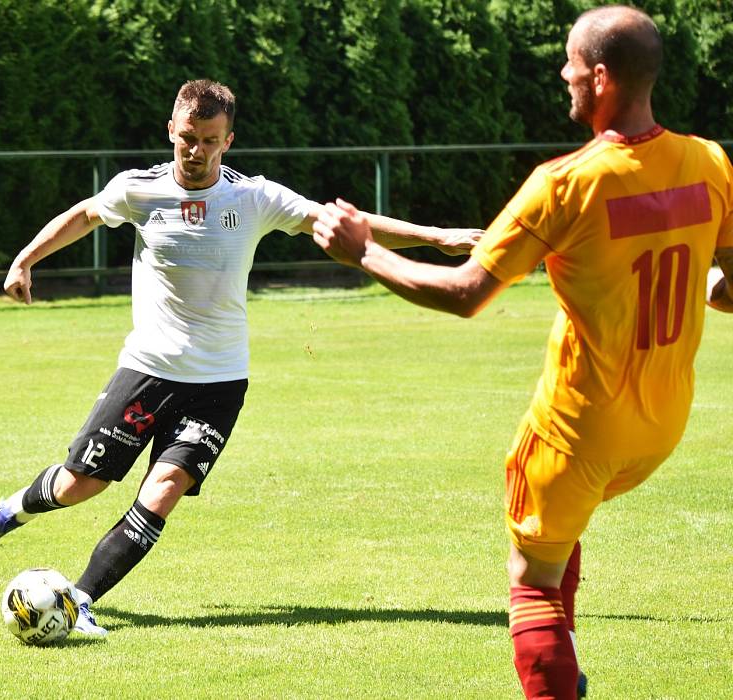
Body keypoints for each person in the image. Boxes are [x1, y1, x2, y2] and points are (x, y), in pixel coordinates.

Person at [312, 6, 733, 699]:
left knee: (530, 580)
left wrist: (365, 253)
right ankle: (564, 666)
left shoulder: (564, 183)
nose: (562, 75)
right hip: (664, 424)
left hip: (579, 426)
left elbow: (464, 292)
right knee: (556, 541)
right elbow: (728, 281)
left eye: (570, 63)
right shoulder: (708, 161)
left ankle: (552, 676)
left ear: (599, 77)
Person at [0, 79, 481, 636]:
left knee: (163, 490)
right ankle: (15, 508)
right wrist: (24, 259)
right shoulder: (138, 190)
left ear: (228, 141)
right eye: (187, 137)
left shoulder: (254, 198)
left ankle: (79, 600)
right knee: (79, 486)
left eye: (209, 140)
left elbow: (342, 227)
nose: (195, 151)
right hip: (147, 370)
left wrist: (437, 236)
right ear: (171, 130)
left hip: (219, 381)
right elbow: (86, 215)